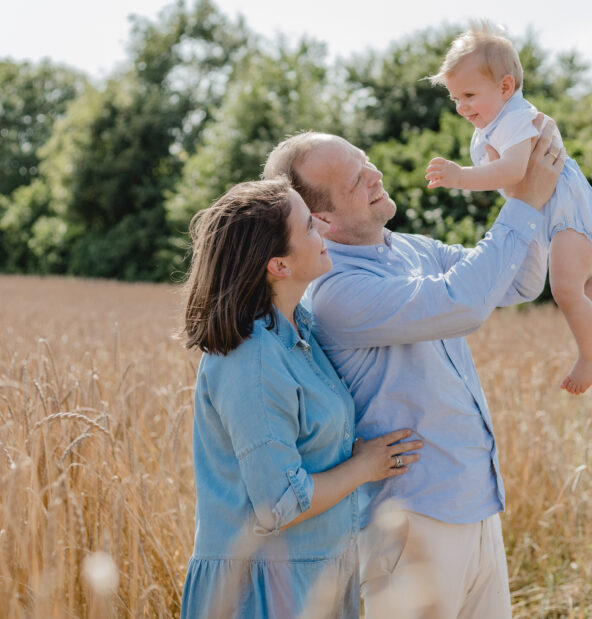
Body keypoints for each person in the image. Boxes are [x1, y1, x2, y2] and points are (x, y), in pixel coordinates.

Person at [262, 121, 563, 619]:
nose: (375, 174)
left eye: (364, 161)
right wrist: (525, 202)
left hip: (477, 501)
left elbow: (517, 284)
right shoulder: (336, 291)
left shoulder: (414, 249)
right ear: (322, 219)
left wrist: (523, 184)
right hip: (411, 521)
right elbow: (462, 303)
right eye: (355, 180)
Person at [179, 178, 423, 619]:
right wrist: (365, 466)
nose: (324, 230)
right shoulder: (251, 357)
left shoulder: (298, 330)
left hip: (312, 577)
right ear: (279, 266)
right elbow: (279, 504)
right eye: (309, 227)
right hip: (260, 589)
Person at [425, 21, 592, 395]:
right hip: (552, 215)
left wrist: (460, 176)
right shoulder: (491, 123)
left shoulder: (515, 118)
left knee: (565, 288)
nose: (461, 107)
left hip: (567, 211)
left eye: (468, 95)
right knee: (581, 282)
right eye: (455, 99)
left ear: (505, 87)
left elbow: (514, 172)